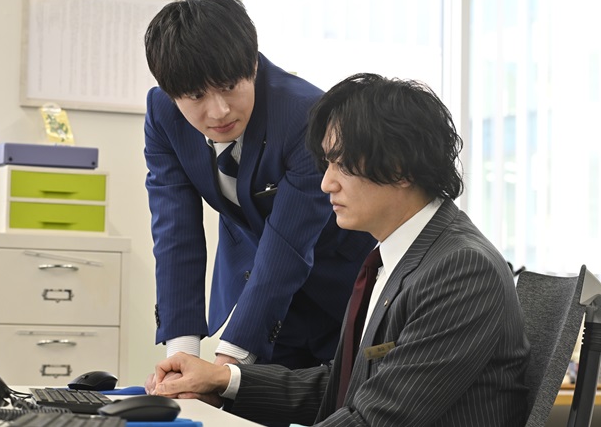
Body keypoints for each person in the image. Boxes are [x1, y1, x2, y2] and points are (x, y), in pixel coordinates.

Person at [147, 73, 530, 426]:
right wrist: (222, 380)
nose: (326, 183)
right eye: (326, 164)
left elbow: (372, 419)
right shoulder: (398, 258)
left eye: (341, 165)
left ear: (400, 168)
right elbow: (346, 389)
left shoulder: (461, 269)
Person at [143, 0, 376, 371]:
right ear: (171, 94)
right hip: (258, 291)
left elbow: (288, 242)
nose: (219, 111)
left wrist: (227, 363)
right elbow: (174, 231)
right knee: (244, 398)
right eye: (196, 96)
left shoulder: (305, 114)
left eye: (228, 87)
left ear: (252, 64)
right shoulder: (163, 116)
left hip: (340, 288)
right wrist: (181, 351)